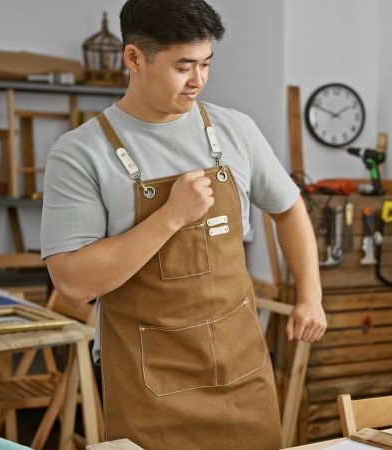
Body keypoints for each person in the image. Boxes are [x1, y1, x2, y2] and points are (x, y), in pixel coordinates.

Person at [40, 0, 326, 448]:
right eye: (183, 66)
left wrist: (311, 294)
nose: (198, 81)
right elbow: (73, 282)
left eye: (206, 64)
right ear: (133, 58)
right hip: (148, 388)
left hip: (243, 373)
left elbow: (289, 208)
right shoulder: (80, 153)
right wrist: (171, 217)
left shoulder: (237, 131)